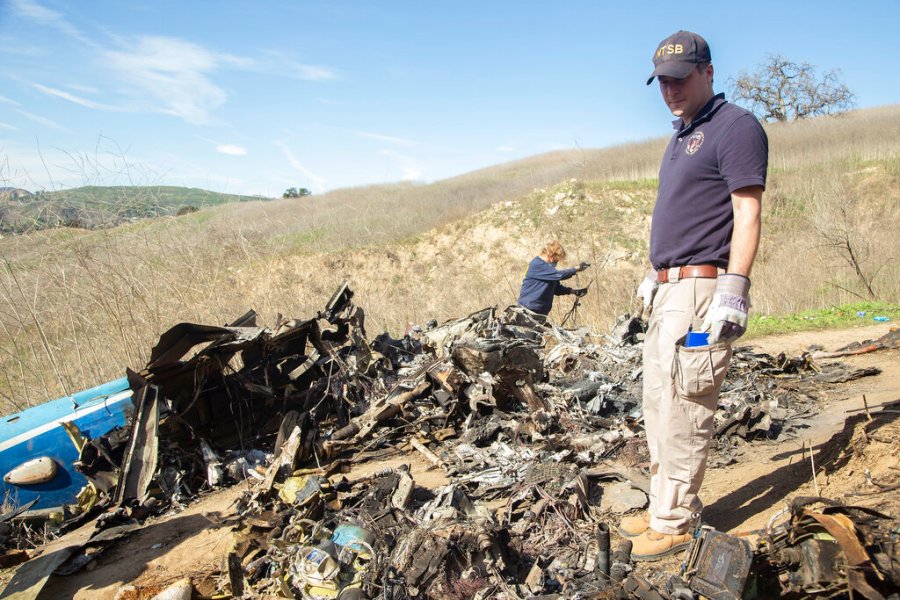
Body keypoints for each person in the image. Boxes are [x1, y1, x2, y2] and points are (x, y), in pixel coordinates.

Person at [621, 30, 768, 561]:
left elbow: (746, 211)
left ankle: (675, 521)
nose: (670, 90)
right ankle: (664, 506)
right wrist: (653, 271)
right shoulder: (681, 135)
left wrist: (735, 286)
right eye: (662, 81)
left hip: (705, 291)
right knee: (659, 405)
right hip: (668, 289)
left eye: (680, 79)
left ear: (707, 71)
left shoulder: (736, 128)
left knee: (687, 403)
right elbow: (682, 214)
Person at [517, 240, 589, 318]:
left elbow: (557, 289)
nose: (556, 263)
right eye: (556, 260)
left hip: (540, 314)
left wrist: (575, 291)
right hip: (527, 311)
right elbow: (559, 275)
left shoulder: (548, 270)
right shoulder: (537, 264)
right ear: (551, 255)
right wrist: (576, 269)